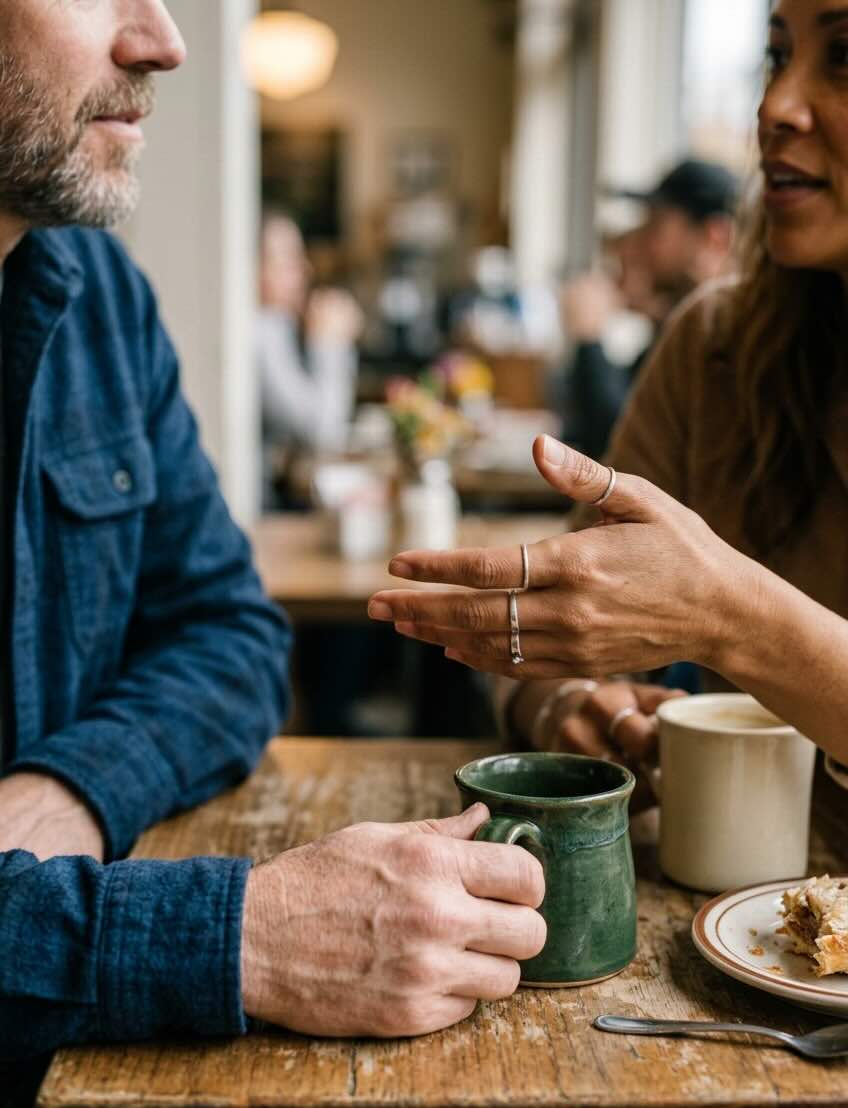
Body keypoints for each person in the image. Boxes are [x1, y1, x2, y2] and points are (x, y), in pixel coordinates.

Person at [0, 0, 546, 1083]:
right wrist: (238, 936)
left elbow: (232, 636)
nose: (163, 40)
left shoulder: (98, 294)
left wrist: (66, 788)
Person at [367, 0, 848, 801]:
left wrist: (735, 616)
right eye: (775, 57)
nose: (775, 107)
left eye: (843, 57)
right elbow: (550, 631)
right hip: (727, 900)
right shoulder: (718, 346)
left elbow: (707, 596)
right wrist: (570, 701)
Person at [561, 158, 738, 460]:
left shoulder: (725, 334)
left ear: (714, 237)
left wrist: (589, 338)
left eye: (655, 225)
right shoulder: (680, 325)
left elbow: (620, 445)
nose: (640, 243)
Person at [258, 212, 363, 504]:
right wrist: (330, 342)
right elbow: (323, 431)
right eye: (288, 260)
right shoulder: (261, 327)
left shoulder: (277, 323)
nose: (304, 269)